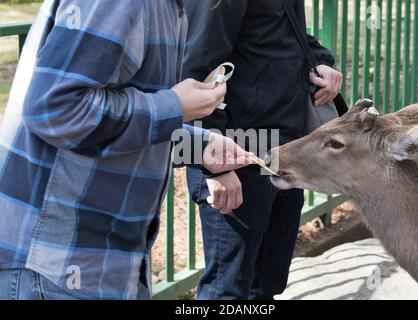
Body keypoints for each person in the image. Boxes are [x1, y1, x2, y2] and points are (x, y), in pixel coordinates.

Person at [0, 0, 252, 300]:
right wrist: (174, 107)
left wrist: (200, 146)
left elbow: (119, 116)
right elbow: (55, 109)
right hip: (55, 266)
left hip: (106, 263)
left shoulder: (172, 8)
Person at [183, 0, 343, 299]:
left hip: (285, 150)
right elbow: (194, 71)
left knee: (267, 285)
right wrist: (214, 167)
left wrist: (321, 61)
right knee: (228, 290)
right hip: (237, 157)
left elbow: (284, 37)